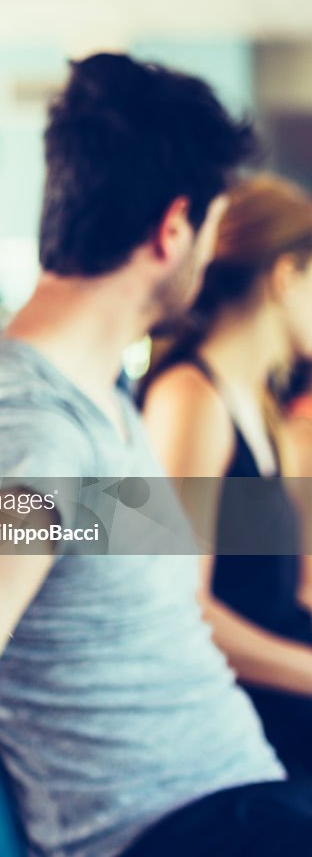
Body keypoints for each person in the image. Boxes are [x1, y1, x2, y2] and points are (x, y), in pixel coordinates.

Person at [0, 54, 312, 857]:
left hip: (238, 800)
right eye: (207, 228)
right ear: (175, 229)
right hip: (180, 831)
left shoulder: (104, 402)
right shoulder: (23, 432)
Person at [142, 174, 312, 778]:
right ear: (286, 276)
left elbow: (283, 586)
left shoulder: (262, 403)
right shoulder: (191, 398)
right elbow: (185, 607)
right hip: (250, 716)